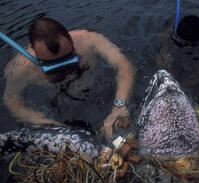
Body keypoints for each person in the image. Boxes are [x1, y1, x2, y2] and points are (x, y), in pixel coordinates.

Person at [3, 18, 135, 139]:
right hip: (61, 108)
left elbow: (123, 66)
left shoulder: (89, 40)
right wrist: (39, 121)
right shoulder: (22, 68)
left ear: (70, 37)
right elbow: (10, 98)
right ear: (32, 48)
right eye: (51, 64)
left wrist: (120, 106)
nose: (63, 68)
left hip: (102, 93)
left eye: (68, 57)